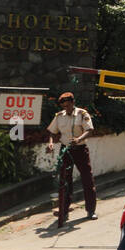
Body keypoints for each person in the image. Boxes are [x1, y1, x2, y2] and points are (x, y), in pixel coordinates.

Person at [46, 91, 97, 220]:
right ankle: (64, 210)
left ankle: (91, 210)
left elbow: (89, 130)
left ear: (73, 103)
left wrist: (79, 139)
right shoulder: (59, 116)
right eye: (64, 106)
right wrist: (51, 143)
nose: (66, 109)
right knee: (65, 180)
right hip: (66, 150)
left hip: (80, 149)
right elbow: (52, 132)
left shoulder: (82, 114)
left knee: (87, 179)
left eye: (68, 106)